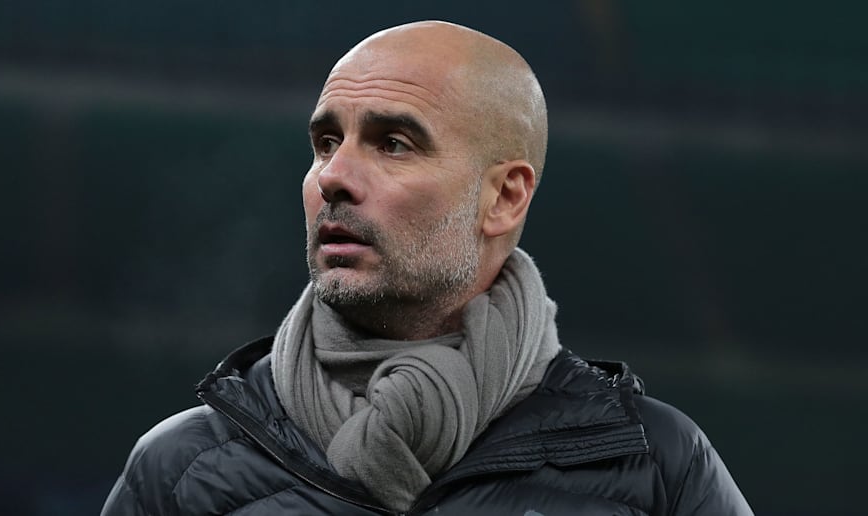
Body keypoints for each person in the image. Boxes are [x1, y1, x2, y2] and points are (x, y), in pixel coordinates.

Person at [102, 20, 753, 515]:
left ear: (504, 197)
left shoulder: (654, 464)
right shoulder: (180, 471)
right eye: (326, 142)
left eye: (393, 143)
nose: (333, 176)